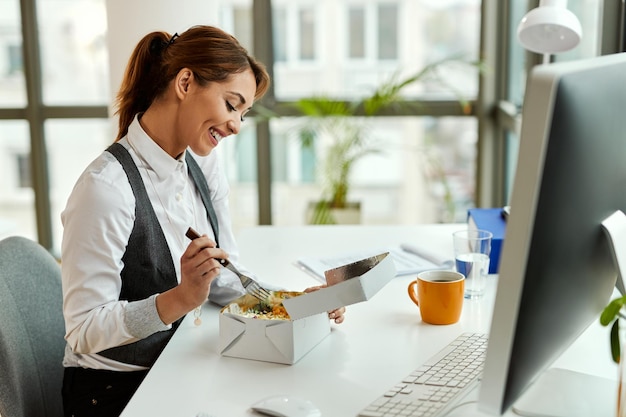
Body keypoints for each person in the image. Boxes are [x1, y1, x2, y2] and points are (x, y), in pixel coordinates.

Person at [60, 25, 345, 417]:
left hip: (177, 365)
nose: (237, 126)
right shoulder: (105, 188)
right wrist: (181, 297)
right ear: (186, 82)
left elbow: (227, 279)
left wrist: (292, 303)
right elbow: (84, 330)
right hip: (116, 392)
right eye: (231, 105)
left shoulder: (203, 166)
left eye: (243, 113)